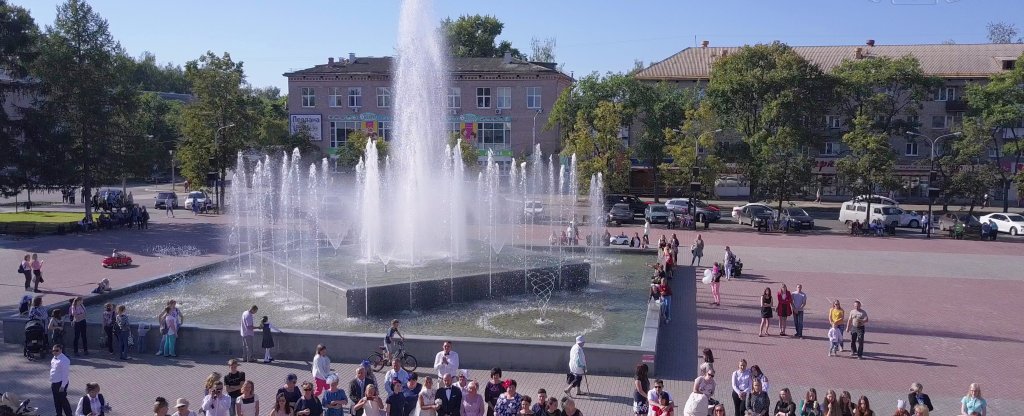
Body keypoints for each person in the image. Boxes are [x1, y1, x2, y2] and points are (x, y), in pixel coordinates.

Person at [50, 344, 73, 416]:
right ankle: (58, 414)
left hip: (60, 383)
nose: (55, 352)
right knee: (56, 401)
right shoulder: (54, 358)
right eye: (53, 350)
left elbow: (65, 374)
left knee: (63, 401)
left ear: (61, 350)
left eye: (57, 350)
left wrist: (63, 386)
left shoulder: (64, 360)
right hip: (54, 383)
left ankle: (69, 414)